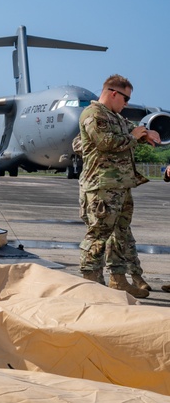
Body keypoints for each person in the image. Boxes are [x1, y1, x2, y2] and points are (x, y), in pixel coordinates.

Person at [76, 74, 159, 298]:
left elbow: (130, 132)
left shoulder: (116, 117)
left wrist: (145, 134)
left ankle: (118, 280)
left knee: (119, 235)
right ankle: (91, 284)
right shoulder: (93, 114)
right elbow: (105, 143)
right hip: (101, 186)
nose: (127, 104)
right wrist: (133, 137)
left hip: (121, 186)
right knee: (98, 235)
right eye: (125, 99)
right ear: (113, 93)